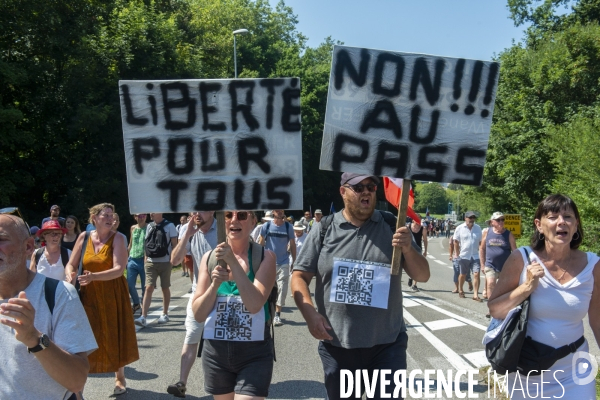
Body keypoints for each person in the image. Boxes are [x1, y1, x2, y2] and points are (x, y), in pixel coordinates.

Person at [292, 173, 430, 399]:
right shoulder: (324, 228)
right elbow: (299, 276)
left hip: (387, 345)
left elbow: (423, 276)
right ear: (343, 191)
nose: (366, 191)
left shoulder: (392, 225)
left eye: (371, 187)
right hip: (338, 346)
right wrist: (309, 313)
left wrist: (408, 249)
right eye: (358, 187)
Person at [488, 194, 600, 399]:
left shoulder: (593, 265)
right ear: (539, 225)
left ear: (575, 226)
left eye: (568, 217)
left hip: (575, 371)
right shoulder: (521, 258)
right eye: (553, 216)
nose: (561, 222)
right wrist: (527, 286)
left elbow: (598, 319)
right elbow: (495, 309)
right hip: (527, 371)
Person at [0, 213, 98, 400]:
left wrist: (34, 339)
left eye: (2, 239)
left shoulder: (59, 294)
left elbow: (77, 381)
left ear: (28, 246)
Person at [192, 210, 277, 399]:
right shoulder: (209, 258)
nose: (234, 220)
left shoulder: (265, 257)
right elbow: (198, 314)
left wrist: (233, 262)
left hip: (254, 354)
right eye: (228, 215)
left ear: (254, 221)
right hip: (216, 353)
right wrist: (214, 285)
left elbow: (254, 304)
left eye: (242, 216)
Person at [65, 203, 139, 396]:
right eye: (105, 215)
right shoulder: (84, 237)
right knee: (86, 338)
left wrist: (93, 277)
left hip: (113, 293)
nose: (109, 218)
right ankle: (79, 386)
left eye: (111, 215)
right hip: (88, 295)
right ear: (94, 218)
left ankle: (119, 377)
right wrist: (69, 275)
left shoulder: (119, 238)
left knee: (114, 333)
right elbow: (71, 264)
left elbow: (118, 270)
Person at [167, 211, 217, 398]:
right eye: (193, 210)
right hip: (199, 291)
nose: (196, 214)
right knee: (191, 335)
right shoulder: (190, 231)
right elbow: (175, 261)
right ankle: (182, 383)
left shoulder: (223, 228)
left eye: (201, 210)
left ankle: (225, 385)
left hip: (224, 291)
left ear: (212, 211)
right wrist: (187, 234)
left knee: (220, 339)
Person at [134, 213, 178, 327]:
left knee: (165, 287)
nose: (151, 214)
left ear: (160, 213)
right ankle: (143, 316)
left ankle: (165, 313)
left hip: (165, 262)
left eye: (153, 212)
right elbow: (146, 243)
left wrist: (173, 259)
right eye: (150, 212)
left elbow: (175, 244)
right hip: (150, 262)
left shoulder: (170, 226)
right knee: (148, 287)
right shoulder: (149, 226)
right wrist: (145, 259)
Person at [258, 209, 295, 326]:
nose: (279, 212)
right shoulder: (266, 226)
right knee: (265, 289)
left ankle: (277, 315)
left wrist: (295, 260)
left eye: (281, 210)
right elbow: (261, 243)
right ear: (273, 212)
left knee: (282, 289)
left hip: (283, 262)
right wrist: (257, 260)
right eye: (277, 210)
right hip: (268, 262)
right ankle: (264, 313)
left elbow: (292, 244)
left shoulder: (289, 227)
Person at [479, 212, 516, 317]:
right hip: (490, 265)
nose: (501, 222)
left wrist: (516, 265)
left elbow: (515, 251)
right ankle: (492, 308)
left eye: (502, 220)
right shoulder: (487, 232)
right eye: (498, 220)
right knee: (490, 283)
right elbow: (482, 248)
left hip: (505, 266)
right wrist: (482, 264)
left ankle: (504, 308)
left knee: (503, 288)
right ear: (492, 222)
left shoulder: (508, 234)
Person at [453, 211, 483, 301]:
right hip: (464, 255)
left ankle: (475, 295)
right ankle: (461, 290)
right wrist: (457, 254)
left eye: (473, 218)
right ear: (465, 218)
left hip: (475, 255)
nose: (472, 220)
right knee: (463, 274)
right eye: (470, 218)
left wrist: (481, 255)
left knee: (476, 274)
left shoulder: (478, 228)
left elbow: (481, 242)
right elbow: (456, 241)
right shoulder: (460, 228)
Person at [127, 213, 148, 314]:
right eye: (139, 216)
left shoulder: (149, 227)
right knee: (129, 284)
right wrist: (126, 256)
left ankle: (144, 307)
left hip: (144, 259)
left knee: (145, 286)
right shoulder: (132, 228)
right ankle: (136, 303)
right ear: (135, 217)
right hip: (132, 258)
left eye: (143, 216)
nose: (141, 218)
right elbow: (131, 243)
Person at [408, 216, 427, 291]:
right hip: (408, 248)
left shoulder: (423, 229)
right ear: (413, 220)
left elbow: (425, 240)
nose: (418, 221)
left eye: (419, 219)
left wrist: (425, 250)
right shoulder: (408, 227)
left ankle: (414, 285)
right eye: (416, 219)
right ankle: (410, 277)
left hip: (418, 249)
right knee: (409, 265)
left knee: (417, 266)